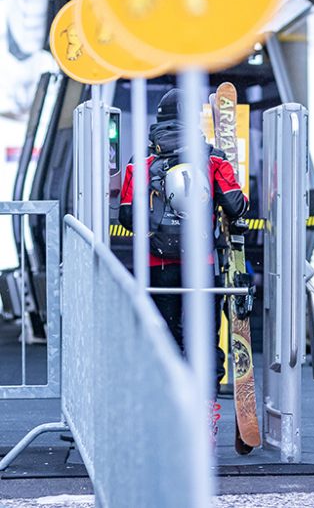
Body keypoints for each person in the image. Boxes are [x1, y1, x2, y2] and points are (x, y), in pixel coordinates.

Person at [118, 89, 249, 442]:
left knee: (164, 341)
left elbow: (128, 217)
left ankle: (168, 419)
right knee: (203, 342)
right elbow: (237, 206)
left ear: (159, 119)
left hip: (156, 269)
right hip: (201, 268)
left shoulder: (140, 163)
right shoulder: (212, 159)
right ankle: (204, 420)